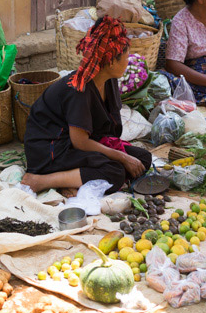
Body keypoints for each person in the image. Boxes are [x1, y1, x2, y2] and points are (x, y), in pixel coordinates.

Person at [22, 17, 153, 194]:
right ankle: (41, 181)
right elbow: (80, 142)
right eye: (126, 56)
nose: (128, 61)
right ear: (111, 61)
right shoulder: (78, 88)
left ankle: (76, 179)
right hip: (52, 149)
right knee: (115, 171)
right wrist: (121, 157)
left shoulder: (109, 81)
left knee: (143, 159)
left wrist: (122, 156)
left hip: (80, 143)